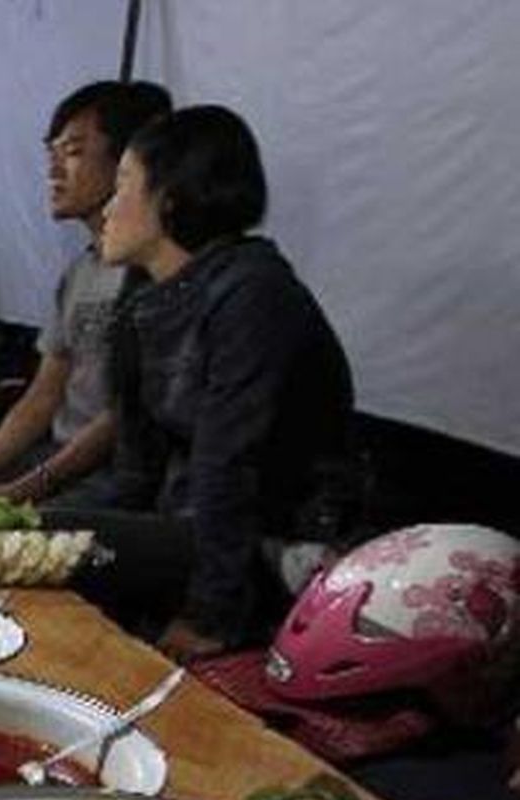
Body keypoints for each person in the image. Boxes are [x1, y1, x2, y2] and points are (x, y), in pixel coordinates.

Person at [98, 105, 357, 660]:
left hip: (268, 542)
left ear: (168, 197)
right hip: (187, 525)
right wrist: (108, 551)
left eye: (122, 185)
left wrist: (208, 616)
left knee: (36, 543)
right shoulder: (145, 299)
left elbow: (230, 465)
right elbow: (137, 466)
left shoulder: (253, 292)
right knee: (37, 547)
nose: (107, 208)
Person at [0, 81, 172, 507]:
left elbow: (124, 416)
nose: (52, 171)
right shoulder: (80, 272)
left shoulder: (157, 274)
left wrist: (25, 490)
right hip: (50, 458)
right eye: (52, 154)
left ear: (130, 163)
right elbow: (43, 395)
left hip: (111, 477)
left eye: (72, 152)